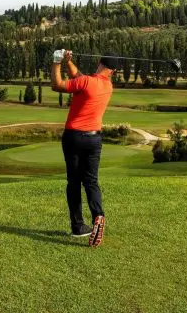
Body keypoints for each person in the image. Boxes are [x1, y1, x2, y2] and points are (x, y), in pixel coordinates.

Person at [50, 49, 117, 248]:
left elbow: (57, 85)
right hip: (94, 139)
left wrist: (56, 61)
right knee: (91, 182)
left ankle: (78, 226)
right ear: (112, 71)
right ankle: (98, 216)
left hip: (73, 137)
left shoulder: (87, 82)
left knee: (74, 182)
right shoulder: (107, 86)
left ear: (99, 63)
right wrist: (69, 62)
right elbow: (79, 78)